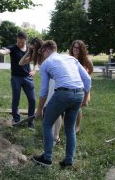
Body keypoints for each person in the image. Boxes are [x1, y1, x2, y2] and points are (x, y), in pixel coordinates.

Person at [32, 40, 91, 168]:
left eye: (43, 53)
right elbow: (87, 79)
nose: (42, 56)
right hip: (79, 94)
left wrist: (39, 110)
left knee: (47, 123)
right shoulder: (70, 58)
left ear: (47, 50)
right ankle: (68, 161)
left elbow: (44, 90)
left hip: (63, 94)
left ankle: (47, 159)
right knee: (70, 129)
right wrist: (85, 98)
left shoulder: (46, 63)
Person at [0, 31, 36, 128]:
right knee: (16, 100)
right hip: (16, 77)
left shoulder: (30, 49)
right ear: (17, 40)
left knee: (32, 99)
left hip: (27, 77)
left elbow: (36, 60)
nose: (20, 44)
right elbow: (5, 52)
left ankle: (30, 121)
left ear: (26, 41)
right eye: (18, 42)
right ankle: (16, 120)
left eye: (22, 42)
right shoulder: (13, 48)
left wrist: (34, 70)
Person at [69, 40, 94, 133]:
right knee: (72, 105)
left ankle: (77, 127)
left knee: (78, 106)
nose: (75, 49)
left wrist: (84, 77)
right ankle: (70, 123)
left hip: (82, 86)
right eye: (74, 47)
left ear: (81, 49)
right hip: (72, 84)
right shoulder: (70, 58)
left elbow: (91, 70)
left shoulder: (85, 59)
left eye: (78, 48)